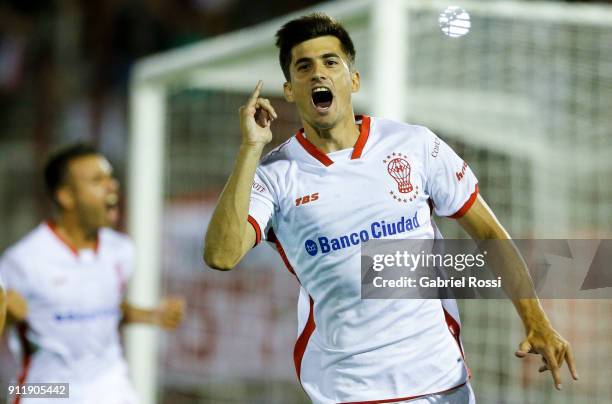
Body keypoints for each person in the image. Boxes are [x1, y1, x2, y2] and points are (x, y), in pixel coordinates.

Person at [203, 13, 578, 404]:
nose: (319, 74)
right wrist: (250, 149)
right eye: (304, 66)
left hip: (442, 382)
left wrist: (537, 321)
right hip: (348, 390)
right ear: (291, 90)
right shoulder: (276, 174)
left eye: (331, 62)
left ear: (354, 80)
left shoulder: (414, 145)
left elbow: (488, 233)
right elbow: (221, 255)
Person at [0, 143, 185, 404]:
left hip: (109, 384)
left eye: (111, 177)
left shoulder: (121, 250)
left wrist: (150, 314)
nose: (112, 186)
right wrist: (7, 317)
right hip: (50, 389)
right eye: (98, 180)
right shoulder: (22, 261)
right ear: (66, 196)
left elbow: (102, 307)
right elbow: (7, 312)